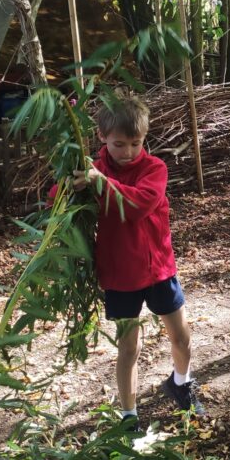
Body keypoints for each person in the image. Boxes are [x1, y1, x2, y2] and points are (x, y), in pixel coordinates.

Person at [73, 95, 203, 429]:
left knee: (181, 337)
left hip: (158, 268)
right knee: (128, 347)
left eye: (136, 143)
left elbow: (140, 205)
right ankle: (129, 415)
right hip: (120, 274)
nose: (128, 152)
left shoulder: (153, 169)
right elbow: (59, 202)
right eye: (119, 144)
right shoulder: (92, 170)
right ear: (102, 136)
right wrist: (69, 185)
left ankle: (180, 382)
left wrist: (100, 183)